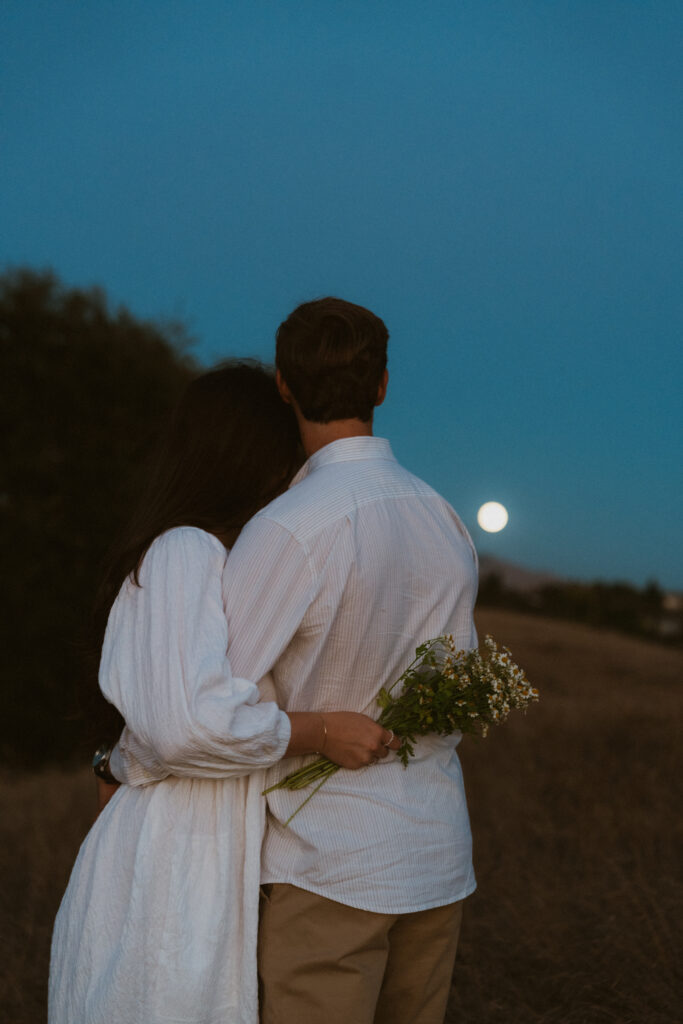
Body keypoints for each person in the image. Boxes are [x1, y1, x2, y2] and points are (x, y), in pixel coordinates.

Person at [114, 299, 479, 1024]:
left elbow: (207, 705)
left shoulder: (288, 528)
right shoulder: (443, 517)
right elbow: (458, 683)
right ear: (381, 386)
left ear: (282, 385)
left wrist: (122, 764)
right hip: (436, 855)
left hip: (330, 867)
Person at [48, 362, 397, 1024]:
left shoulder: (215, 557)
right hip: (175, 854)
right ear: (256, 448)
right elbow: (183, 726)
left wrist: (119, 758)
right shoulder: (186, 550)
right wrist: (320, 730)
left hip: (196, 842)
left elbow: (158, 724)